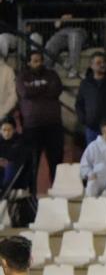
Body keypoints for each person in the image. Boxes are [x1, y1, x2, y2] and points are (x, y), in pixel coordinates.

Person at [16, 50, 64, 186]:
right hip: (32, 126)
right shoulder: (21, 76)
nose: (38, 63)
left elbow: (56, 89)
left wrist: (34, 91)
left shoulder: (52, 74)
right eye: (35, 61)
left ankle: (57, 191)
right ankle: (31, 195)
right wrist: (44, 88)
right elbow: (24, 92)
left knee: (56, 162)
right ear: (29, 62)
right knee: (31, 163)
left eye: (40, 60)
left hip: (53, 125)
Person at [42, 0, 89, 77]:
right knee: (51, 43)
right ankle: (46, 70)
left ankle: (73, 69)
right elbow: (52, 17)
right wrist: (59, 20)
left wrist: (73, 16)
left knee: (74, 36)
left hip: (79, 29)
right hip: (62, 31)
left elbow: (87, 13)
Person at [0, 118, 29, 192]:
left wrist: (6, 161)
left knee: (10, 166)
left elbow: (22, 161)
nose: (6, 133)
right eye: (4, 130)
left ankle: (4, 192)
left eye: (9, 130)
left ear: (14, 130)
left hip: (17, 176)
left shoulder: (20, 142)